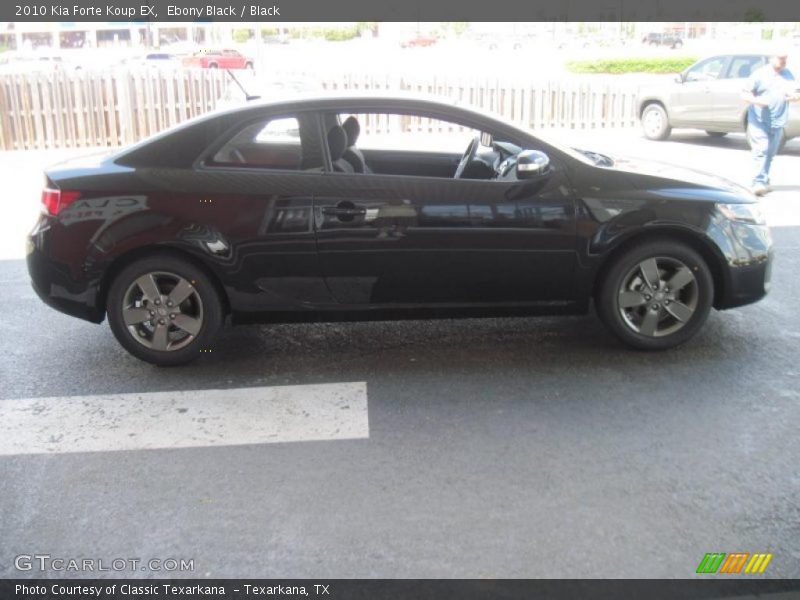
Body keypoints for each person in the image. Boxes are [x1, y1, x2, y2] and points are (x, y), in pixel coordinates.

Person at [741, 47, 800, 196]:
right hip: (759, 121)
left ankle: (765, 179)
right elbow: (744, 93)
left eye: (785, 58)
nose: (783, 61)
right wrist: (757, 101)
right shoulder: (760, 74)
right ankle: (757, 182)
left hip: (778, 121)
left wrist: (794, 97)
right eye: (780, 58)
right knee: (761, 149)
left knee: (771, 152)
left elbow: (795, 92)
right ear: (771, 58)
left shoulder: (787, 74)